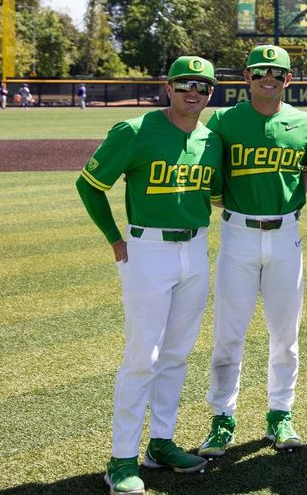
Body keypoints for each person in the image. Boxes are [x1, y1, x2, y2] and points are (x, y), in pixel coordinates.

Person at [75, 56, 222, 495]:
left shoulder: (210, 140)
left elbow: (214, 194)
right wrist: (114, 239)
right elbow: (89, 185)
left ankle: (161, 443)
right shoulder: (135, 130)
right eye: (184, 84)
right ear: (168, 87)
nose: (192, 92)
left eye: (202, 85)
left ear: (210, 93)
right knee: (143, 357)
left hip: (195, 249)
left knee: (176, 354)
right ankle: (121, 459)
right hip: (148, 250)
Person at [198, 45, 307, 457]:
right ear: (246, 77)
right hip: (239, 233)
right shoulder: (223, 121)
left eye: (276, 72)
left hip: (286, 234)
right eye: (259, 72)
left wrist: (286, 193)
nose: (268, 78)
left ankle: (280, 414)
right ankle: (222, 419)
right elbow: (210, 178)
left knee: (285, 334)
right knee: (229, 333)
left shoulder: (304, 123)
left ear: (289, 79)